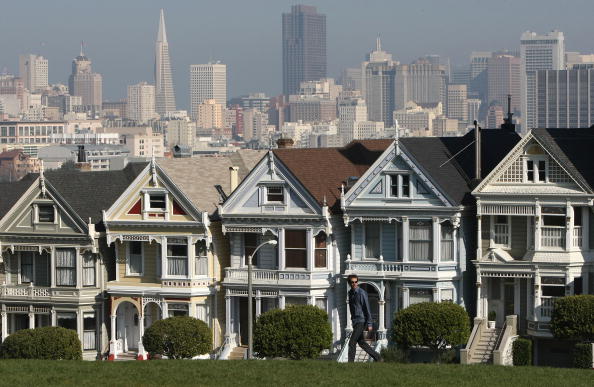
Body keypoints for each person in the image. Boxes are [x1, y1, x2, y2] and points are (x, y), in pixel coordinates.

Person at [347, 274, 382, 362]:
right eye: (352, 282)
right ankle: (378, 358)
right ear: (349, 283)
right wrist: (352, 320)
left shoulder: (362, 293)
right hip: (355, 321)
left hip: (361, 321)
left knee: (352, 342)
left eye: (356, 282)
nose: (354, 284)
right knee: (362, 343)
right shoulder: (350, 293)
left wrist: (369, 324)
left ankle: (350, 364)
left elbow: (367, 308)